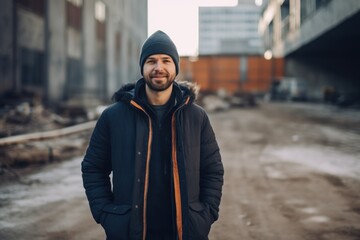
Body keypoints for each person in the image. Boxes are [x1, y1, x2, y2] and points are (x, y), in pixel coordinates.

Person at [81, 30, 224, 240]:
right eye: (151, 61)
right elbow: (93, 167)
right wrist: (107, 214)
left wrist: (205, 214)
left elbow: (213, 170)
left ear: (175, 66)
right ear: (142, 68)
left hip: (186, 233)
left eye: (166, 60)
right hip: (131, 233)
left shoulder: (197, 117)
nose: (159, 67)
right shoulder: (113, 117)